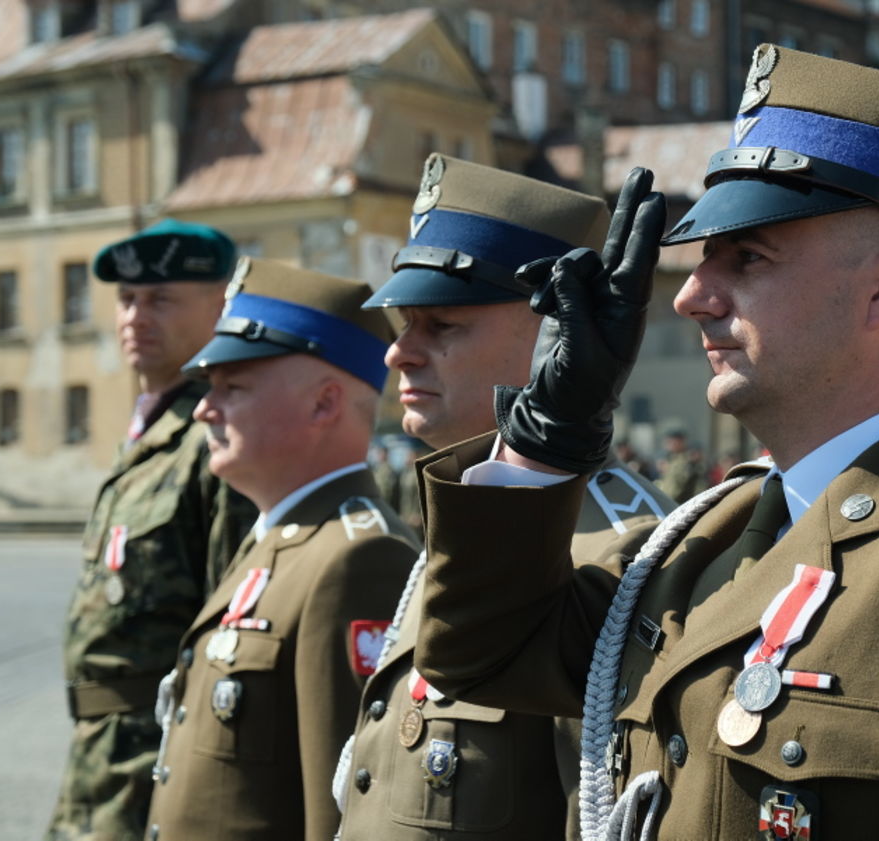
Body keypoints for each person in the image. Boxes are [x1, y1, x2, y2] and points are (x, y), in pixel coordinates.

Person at [412, 47, 879, 840]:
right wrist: (548, 435)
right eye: (702, 260)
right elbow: (480, 653)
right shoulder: (702, 537)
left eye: (748, 257)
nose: (694, 296)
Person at [333, 155, 675, 841]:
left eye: (443, 325)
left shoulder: (616, 545)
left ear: (559, 327)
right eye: (404, 323)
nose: (400, 352)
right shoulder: (474, 499)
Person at [143, 258, 418, 841]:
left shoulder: (358, 559)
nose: (202, 409)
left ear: (323, 404)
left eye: (232, 387)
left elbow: (343, 811)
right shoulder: (279, 538)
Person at [47, 220, 256, 841]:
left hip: (160, 764)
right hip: (102, 759)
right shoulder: (147, 431)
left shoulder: (216, 439)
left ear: (222, 304)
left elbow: (235, 636)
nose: (136, 316)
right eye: (127, 300)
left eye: (162, 299)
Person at [656, 427, 706, 502]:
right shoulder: (671, 459)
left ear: (681, 442)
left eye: (672, 442)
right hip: (668, 502)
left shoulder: (688, 460)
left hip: (681, 504)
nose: (668, 444)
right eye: (668, 442)